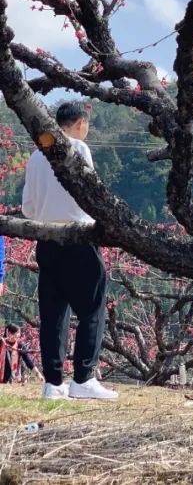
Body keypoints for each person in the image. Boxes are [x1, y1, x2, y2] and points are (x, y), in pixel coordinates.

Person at [21, 101, 117, 400]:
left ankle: (52, 383)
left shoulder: (36, 155)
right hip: (78, 236)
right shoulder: (77, 147)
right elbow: (90, 192)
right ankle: (84, 378)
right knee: (92, 309)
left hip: (47, 238)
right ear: (79, 123)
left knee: (53, 313)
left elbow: (28, 207)